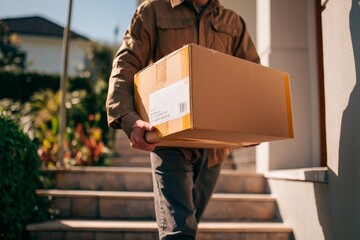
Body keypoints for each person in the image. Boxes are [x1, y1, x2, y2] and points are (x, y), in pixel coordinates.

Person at [106, 0, 260, 239]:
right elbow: (126, 62)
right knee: (179, 232)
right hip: (167, 139)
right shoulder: (152, 11)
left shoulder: (233, 23)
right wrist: (127, 118)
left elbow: (252, 75)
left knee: (190, 225)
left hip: (215, 148)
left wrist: (251, 126)